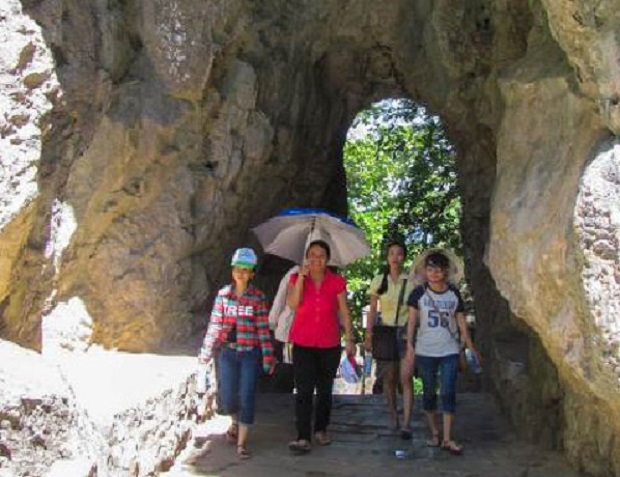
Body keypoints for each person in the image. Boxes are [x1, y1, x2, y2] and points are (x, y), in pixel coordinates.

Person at [199, 247, 276, 459]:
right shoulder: (223, 296)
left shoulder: (258, 298)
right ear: (232, 271)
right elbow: (215, 325)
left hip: (250, 354)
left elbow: (262, 329)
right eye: (237, 269)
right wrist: (206, 352)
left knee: (247, 394)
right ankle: (234, 420)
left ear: (252, 273)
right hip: (228, 354)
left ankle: (241, 444)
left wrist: (268, 357)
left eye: (246, 269)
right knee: (228, 395)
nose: (241, 273)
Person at [404, 250, 481, 455]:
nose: (435, 273)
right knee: (429, 393)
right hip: (425, 350)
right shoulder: (418, 294)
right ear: (425, 272)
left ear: (445, 271)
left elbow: (461, 322)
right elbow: (412, 322)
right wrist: (410, 346)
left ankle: (447, 438)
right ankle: (434, 432)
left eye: (439, 269)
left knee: (448, 392)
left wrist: (469, 345)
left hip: (449, 349)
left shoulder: (453, 293)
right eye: (430, 269)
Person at [286, 239, 356, 453]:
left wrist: (350, 339)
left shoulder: (337, 282)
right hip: (303, 343)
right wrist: (301, 280)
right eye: (313, 255)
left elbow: (344, 311)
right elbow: (293, 304)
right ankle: (303, 436)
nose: (317, 259)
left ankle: (321, 430)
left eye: (321, 256)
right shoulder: (296, 278)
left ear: (327, 260)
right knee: (304, 391)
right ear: (307, 258)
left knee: (325, 390)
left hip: (329, 343)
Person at [364, 240, 415, 438]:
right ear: (387, 257)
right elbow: (372, 310)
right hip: (384, 331)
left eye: (399, 253)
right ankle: (393, 413)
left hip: (404, 332)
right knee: (389, 377)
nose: (395, 257)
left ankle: (407, 422)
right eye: (392, 253)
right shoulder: (379, 280)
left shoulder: (410, 281)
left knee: (405, 377)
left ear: (404, 257)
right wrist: (368, 335)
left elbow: (414, 311)